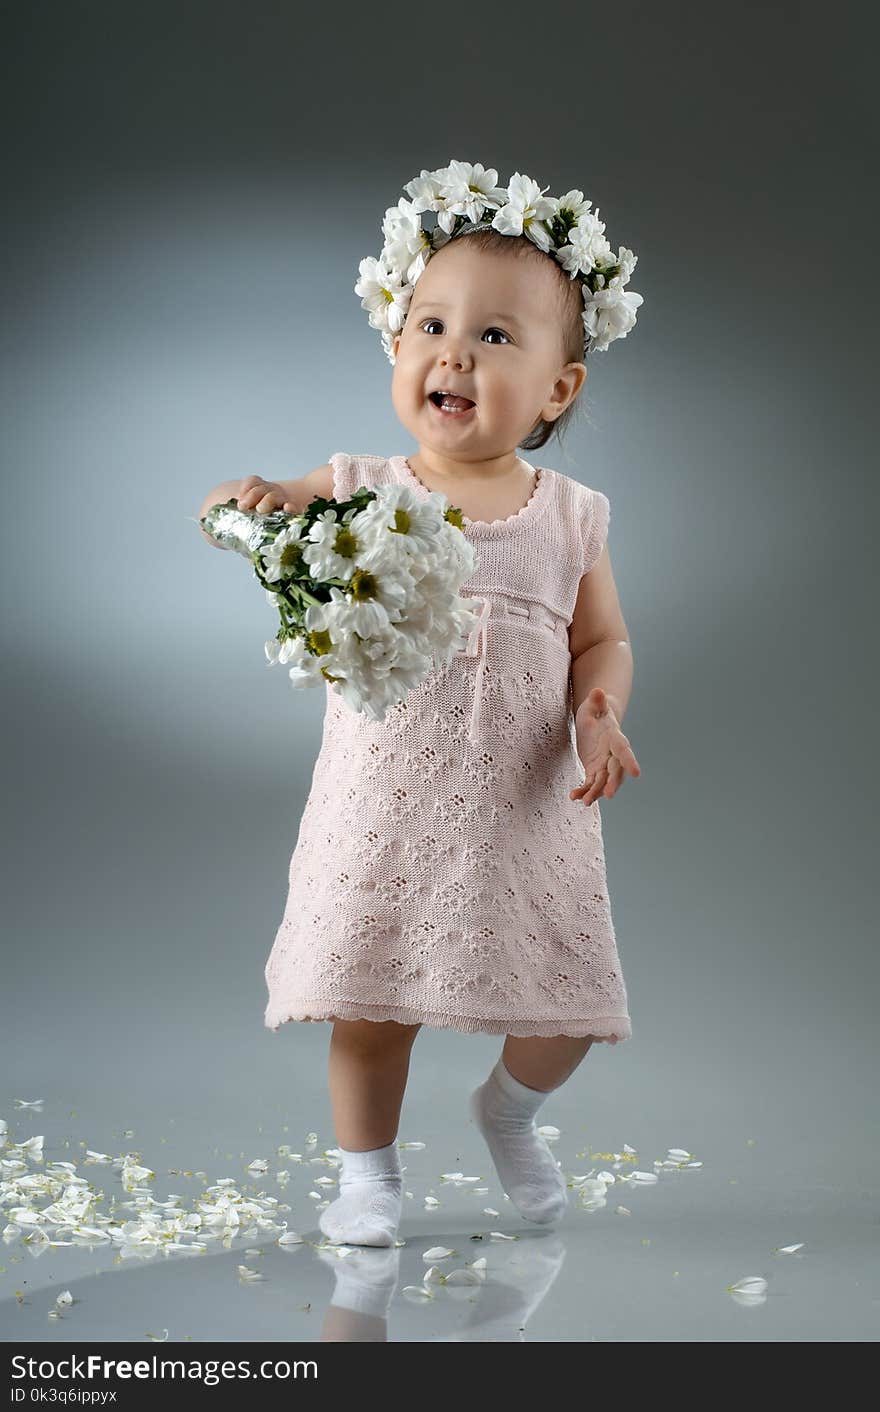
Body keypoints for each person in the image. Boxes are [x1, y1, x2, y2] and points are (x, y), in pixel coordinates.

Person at [198, 161, 643, 1253]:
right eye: (432, 323)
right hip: (389, 801)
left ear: (558, 388)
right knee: (370, 998)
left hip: (524, 800)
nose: (454, 351)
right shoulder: (361, 483)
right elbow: (221, 503)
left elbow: (605, 637)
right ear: (397, 346)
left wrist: (600, 705)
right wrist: (254, 506)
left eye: (497, 337)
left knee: (566, 1005)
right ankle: (368, 1177)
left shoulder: (571, 513)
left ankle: (509, 1106)